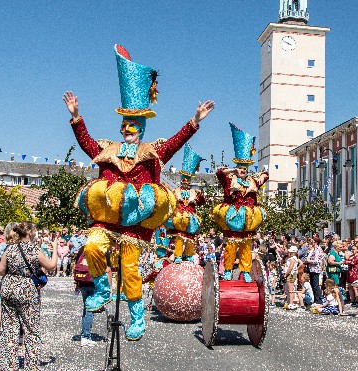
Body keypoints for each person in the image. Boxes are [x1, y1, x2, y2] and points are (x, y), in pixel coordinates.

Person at [63, 44, 215, 341]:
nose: (127, 130)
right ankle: (103, 290)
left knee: (130, 271)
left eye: (133, 126)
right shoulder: (109, 150)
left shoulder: (151, 152)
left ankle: (136, 318)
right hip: (107, 222)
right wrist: (76, 117)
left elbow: (174, 143)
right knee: (92, 247)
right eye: (124, 125)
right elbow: (87, 145)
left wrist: (194, 121)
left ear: (141, 128)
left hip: (134, 224)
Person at [0, 222, 58, 370]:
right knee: (31, 329)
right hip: (26, 289)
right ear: (29, 232)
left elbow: (0, 271)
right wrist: (55, 249)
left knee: (10, 328)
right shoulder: (34, 249)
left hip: (8, 287)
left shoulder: (9, 248)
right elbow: (51, 265)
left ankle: (10, 365)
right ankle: (31, 366)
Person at [213, 123, 268, 283]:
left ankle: (245, 271)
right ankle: (228, 270)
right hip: (232, 220)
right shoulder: (230, 180)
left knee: (246, 248)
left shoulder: (252, 181)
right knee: (230, 248)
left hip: (248, 221)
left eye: (245, 167)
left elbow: (266, 174)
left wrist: (262, 175)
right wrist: (232, 171)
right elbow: (219, 172)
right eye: (240, 167)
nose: (243, 170)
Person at [164, 144, 205, 263]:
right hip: (179, 217)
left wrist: (201, 196)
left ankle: (189, 254)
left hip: (191, 218)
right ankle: (177, 255)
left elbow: (201, 202)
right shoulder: (176, 191)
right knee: (180, 237)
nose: (186, 182)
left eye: (188, 180)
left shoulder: (193, 192)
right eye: (184, 180)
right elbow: (170, 201)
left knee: (190, 238)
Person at [73, 247, 103, 347]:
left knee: (86, 309)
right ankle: (85, 336)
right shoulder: (98, 249)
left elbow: (77, 263)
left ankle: (84, 333)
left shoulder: (82, 248)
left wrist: (76, 283)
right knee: (90, 310)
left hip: (82, 281)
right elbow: (106, 268)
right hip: (93, 281)